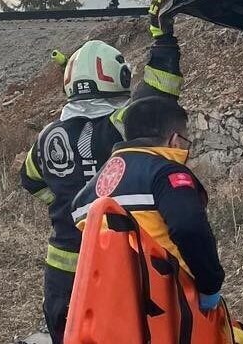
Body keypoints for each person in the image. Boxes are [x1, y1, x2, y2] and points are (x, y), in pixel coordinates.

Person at [19, 40, 132, 344]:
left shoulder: (47, 135)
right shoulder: (119, 126)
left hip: (61, 265)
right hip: (112, 260)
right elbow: (159, 99)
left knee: (67, 334)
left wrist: (62, 201)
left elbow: (30, 180)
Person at [72, 95, 225, 313]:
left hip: (106, 306)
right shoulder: (165, 173)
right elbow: (189, 228)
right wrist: (210, 285)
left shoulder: (87, 193)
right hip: (164, 306)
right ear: (175, 140)